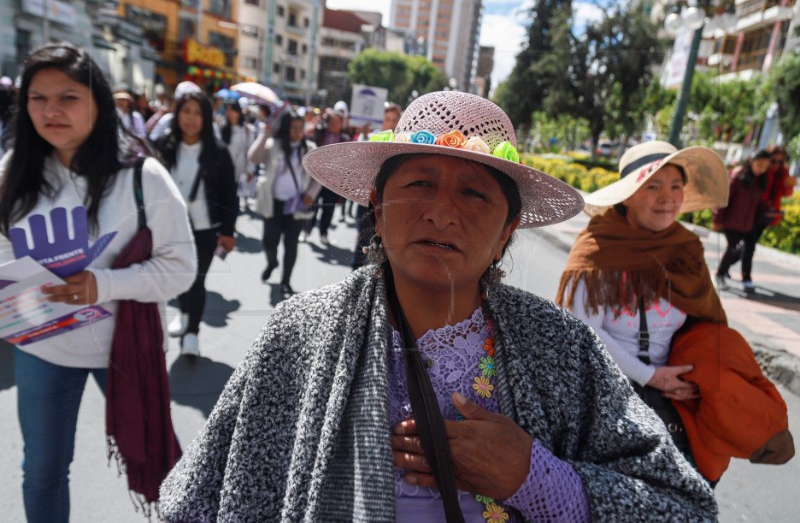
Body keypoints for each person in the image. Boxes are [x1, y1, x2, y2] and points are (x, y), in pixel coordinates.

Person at [160, 92, 717, 522]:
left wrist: (537, 477)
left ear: (507, 231)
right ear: (376, 208)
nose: (442, 213)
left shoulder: (561, 346)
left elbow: (684, 506)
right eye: (420, 183)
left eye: (474, 193)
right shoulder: (297, 335)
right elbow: (196, 501)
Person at [0, 42, 195, 523]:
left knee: (158, 460)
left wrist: (102, 284)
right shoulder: (11, 173)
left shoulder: (142, 176)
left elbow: (181, 268)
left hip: (123, 351)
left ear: (97, 102)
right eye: (37, 98)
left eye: (68, 97)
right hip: (41, 350)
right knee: (43, 470)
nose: (51, 111)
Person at [556, 141, 730, 466]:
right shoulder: (598, 248)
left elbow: (706, 321)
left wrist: (695, 380)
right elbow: (584, 334)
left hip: (673, 402)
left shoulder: (685, 249)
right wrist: (651, 376)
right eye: (653, 186)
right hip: (604, 399)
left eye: (676, 186)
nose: (668, 197)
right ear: (629, 195)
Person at [154, 90, 237, 356]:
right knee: (179, 277)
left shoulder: (219, 153)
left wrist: (227, 231)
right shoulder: (163, 147)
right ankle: (185, 314)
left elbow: (229, 195)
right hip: (169, 228)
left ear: (206, 117)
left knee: (197, 279)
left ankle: (193, 334)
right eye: (185, 112)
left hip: (205, 228)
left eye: (197, 113)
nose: (190, 119)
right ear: (176, 114)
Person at [249, 110, 319, 298]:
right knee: (268, 242)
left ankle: (285, 281)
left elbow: (318, 177)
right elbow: (253, 158)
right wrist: (265, 134)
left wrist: (311, 194)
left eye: (299, 128)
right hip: (273, 204)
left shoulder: (310, 148)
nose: (296, 132)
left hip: (295, 207)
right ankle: (272, 262)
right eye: (292, 128)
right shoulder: (275, 145)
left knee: (291, 245)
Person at [352, 102, 403, 270]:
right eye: (387, 118)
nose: (391, 122)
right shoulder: (370, 137)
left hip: (389, 201)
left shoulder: (402, 143)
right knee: (364, 239)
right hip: (369, 200)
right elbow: (359, 162)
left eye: (395, 119)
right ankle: (357, 273)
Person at [713, 150, 770, 291]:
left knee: (749, 249)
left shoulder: (760, 180)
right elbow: (724, 198)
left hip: (749, 223)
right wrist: (717, 219)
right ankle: (719, 275)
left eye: (765, 166)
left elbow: (759, 203)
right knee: (732, 248)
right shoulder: (738, 176)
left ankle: (746, 279)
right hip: (731, 221)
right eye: (759, 164)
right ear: (751, 161)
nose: (761, 169)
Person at [308, 107, 349, 245]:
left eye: (337, 122)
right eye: (332, 121)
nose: (334, 124)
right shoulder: (319, 133)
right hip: (316, 177)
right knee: (312, 205)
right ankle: (307, 230)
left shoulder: (345, 139)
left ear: (342, 124)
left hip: (333, 180)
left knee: (328, 208)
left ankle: (323, 233)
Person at [219, 99, 256, 211]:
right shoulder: (222, 127)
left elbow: (250, 151)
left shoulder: (247, 130)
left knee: (234, 203)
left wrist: (250, 170)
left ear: (238, 112)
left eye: (232, 110)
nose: (229, 113)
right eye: (228, 110)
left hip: (238, 172)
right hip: (222, 172)